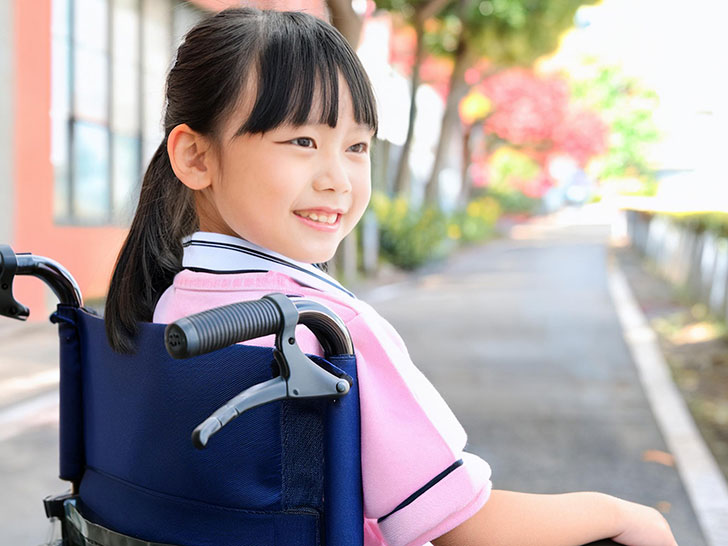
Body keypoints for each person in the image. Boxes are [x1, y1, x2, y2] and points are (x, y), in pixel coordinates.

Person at [105, 7, 677, 546]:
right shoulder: (327, 332)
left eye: (356, 146)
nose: (338, 179)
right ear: (197, 158)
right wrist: (621, 512)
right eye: (302, 141)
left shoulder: (163, 310)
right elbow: (460, 524)